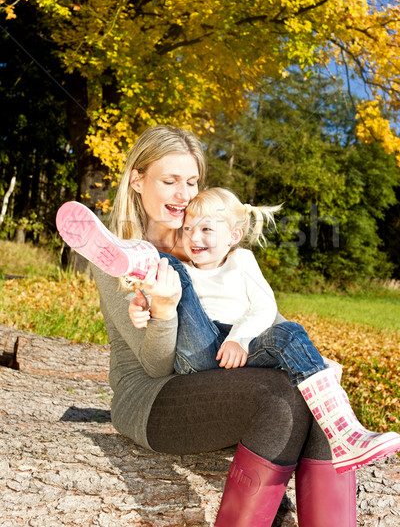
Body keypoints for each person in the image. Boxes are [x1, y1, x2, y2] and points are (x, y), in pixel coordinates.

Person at [56, 125, 358, 527]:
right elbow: (155, 367)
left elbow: (262, 313)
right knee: (277, 397)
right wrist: (164, 312)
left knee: (315, 393)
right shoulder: (114, 259)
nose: (184, 194)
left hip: (221, 373)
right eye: (170, 181)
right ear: (137, 180)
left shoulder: (209, 244)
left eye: (192, 182)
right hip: (152, 398)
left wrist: (315, 366)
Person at [129, 186, 400, 474]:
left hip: (239, 346)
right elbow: (167, 309)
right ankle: (133, 257)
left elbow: (264, 307)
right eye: (187, 229)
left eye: (206, 228)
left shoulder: (242, 260)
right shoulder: (183, 270)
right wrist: (143, 306)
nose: (193, 237)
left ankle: (344, 433)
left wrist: (240, 339)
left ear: (233, 235)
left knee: (291, 331)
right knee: (167, 263)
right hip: (199, 353)